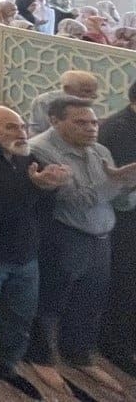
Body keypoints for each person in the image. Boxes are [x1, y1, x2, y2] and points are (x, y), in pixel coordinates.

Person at [0, 106, 69, 401]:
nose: (21, 133)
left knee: (20, 316)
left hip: (26, 252)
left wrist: (50, 187)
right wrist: (35, 187)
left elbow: (41, 207)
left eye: (22, 126)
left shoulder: (28, 157)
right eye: (10, 127)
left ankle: (5, 364)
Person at [25, 95, 136, 394]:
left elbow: (117, 201)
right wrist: (117, 180)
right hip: (63, 236)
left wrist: (128, 185)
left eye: (94, 122)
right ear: (55, 120)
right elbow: (74, 200)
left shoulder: (99, 150)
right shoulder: (40, 150)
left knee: (90, 301)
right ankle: (40, 356)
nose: (91, 128)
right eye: (81, 123)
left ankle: (79, 355)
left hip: (101, 237)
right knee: (50, 300)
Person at [99, 80, 136, 376]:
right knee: (125, 283)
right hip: (123, 220)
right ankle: (115, 345)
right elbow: (120, 183)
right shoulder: (117, 129)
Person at [26, 70, 99, 136]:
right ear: (67, 89)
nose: (94, 96)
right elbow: (38, 131)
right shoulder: (44, 102)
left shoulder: (88, 102)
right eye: (87, 91)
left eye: (94, 92)